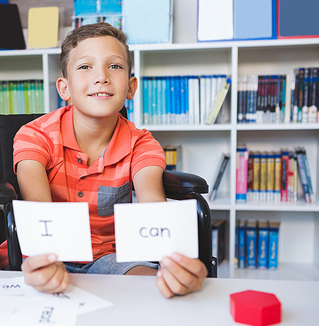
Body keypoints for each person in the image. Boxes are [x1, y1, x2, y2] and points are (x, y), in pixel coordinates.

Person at [12, 22, 207, 298]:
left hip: (113, 258)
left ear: (131, 87)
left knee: (157, 289)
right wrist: (46, 262)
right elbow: (38, 211)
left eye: (114, 66)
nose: (101, 77)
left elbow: (153, 206)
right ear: (64, 88)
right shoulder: (34, 135)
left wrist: (175, 267)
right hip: (48, 252)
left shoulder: (141, 143)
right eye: (85, 67)